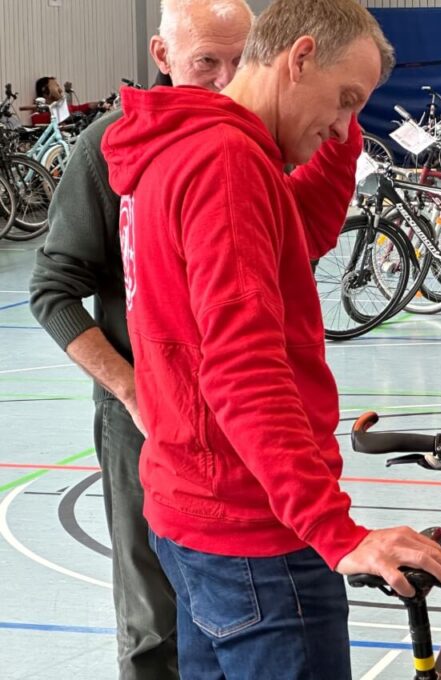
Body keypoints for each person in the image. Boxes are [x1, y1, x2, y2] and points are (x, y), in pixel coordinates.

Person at [101, 1, 441, 678]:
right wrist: (334, 531)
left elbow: (286, 245)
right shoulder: (226, 160)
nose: (345, 121)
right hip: (256, 533)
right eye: (345, 98)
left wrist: (339, 134)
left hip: (189, 510)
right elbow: (242, 368)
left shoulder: (183, 143)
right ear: (298, 58)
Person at [29, 2, 258, 678]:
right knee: (157, 625)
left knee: (247, 611)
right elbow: (53, 290)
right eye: (205, 64)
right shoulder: (111, 146)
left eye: (241, 62)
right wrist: (131, 391)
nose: (225, 81)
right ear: (162, 57)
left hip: (244, 422)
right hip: (147, 426)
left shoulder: (256, 141)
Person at [29, 76, 106, 125]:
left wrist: (102, 102)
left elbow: (82, 107)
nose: (60, 90)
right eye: (56, 86)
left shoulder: (60, 109)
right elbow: (37, 119)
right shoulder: (38, 113)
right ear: (44, 89)